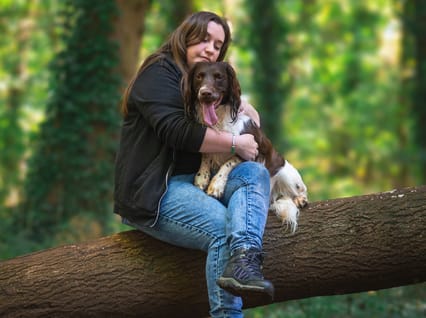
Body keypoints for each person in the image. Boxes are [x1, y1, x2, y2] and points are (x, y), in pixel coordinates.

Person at [114, 11, 274, 318]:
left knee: (254, 169)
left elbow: (227, 102)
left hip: (202, 180)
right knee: (220, 228)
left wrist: (242, 104)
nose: (210, 48)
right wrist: (233, 144)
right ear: (185, 36)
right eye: (204, 39)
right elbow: (178, 132)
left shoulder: (206, 85)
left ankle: (245, 258)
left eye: (218, 44)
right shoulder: (158, 74)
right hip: (156, 191)